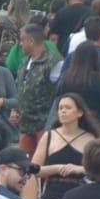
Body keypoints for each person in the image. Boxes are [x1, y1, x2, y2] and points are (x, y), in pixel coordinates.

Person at [30, 94, 100, 199]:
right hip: (51, 194)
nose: (63, 111)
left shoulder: (90, 139)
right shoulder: (49, 136)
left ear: (80, 113)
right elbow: (33, 169)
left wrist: (79, 169)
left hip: (80, 194)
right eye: (60, 108)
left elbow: (98, 171)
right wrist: (57, 168)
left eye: (68, 108)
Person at [13, 24, 61, 153]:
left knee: (43, 163)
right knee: (25, 164)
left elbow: (58, 93)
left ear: (31, 41)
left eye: (22, 40)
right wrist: (15, 108)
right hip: (24, 125)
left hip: (44, 125)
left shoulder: (54, 61)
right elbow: (19, 87)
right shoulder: (24, 61)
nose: (20, 44)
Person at [55, 42, 100, 125]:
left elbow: (58, 101)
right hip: (94, 125)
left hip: (71, 123)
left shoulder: (65, 79)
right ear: (95, 58)